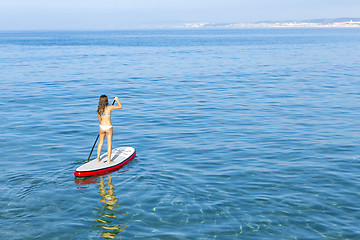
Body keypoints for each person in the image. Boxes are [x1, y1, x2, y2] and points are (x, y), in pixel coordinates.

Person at [96, 95, 122, 164]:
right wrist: (117, 100)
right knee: (109, 143)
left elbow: (99, 120)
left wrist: (102, 125)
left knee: (100, 143)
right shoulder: (109, 107)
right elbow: (120, 107)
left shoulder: (98, 110)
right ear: (106, 100)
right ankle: (108, 160)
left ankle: (98, 158)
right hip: (108, 127)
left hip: (101, 127)